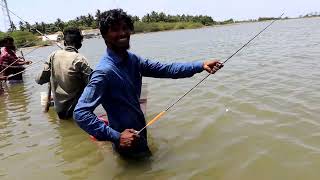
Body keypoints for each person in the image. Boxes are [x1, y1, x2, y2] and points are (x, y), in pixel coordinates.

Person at [73, 9, 223, 158]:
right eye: (115, 30)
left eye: (125, 28)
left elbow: (166, 69)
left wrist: (200, 65)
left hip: (139, 133)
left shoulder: (133, 60)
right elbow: (80, 113)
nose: (123, 33)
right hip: (126, 142)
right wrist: (117, 137)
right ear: (105, 35)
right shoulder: (104, 72)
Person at [35, 27, 92, 119]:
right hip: (76, 110)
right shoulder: (80, 59)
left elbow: (39, 80)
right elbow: (91, 85)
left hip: (60, 110)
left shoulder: (53, 55)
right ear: (80, 43)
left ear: (64, 42)